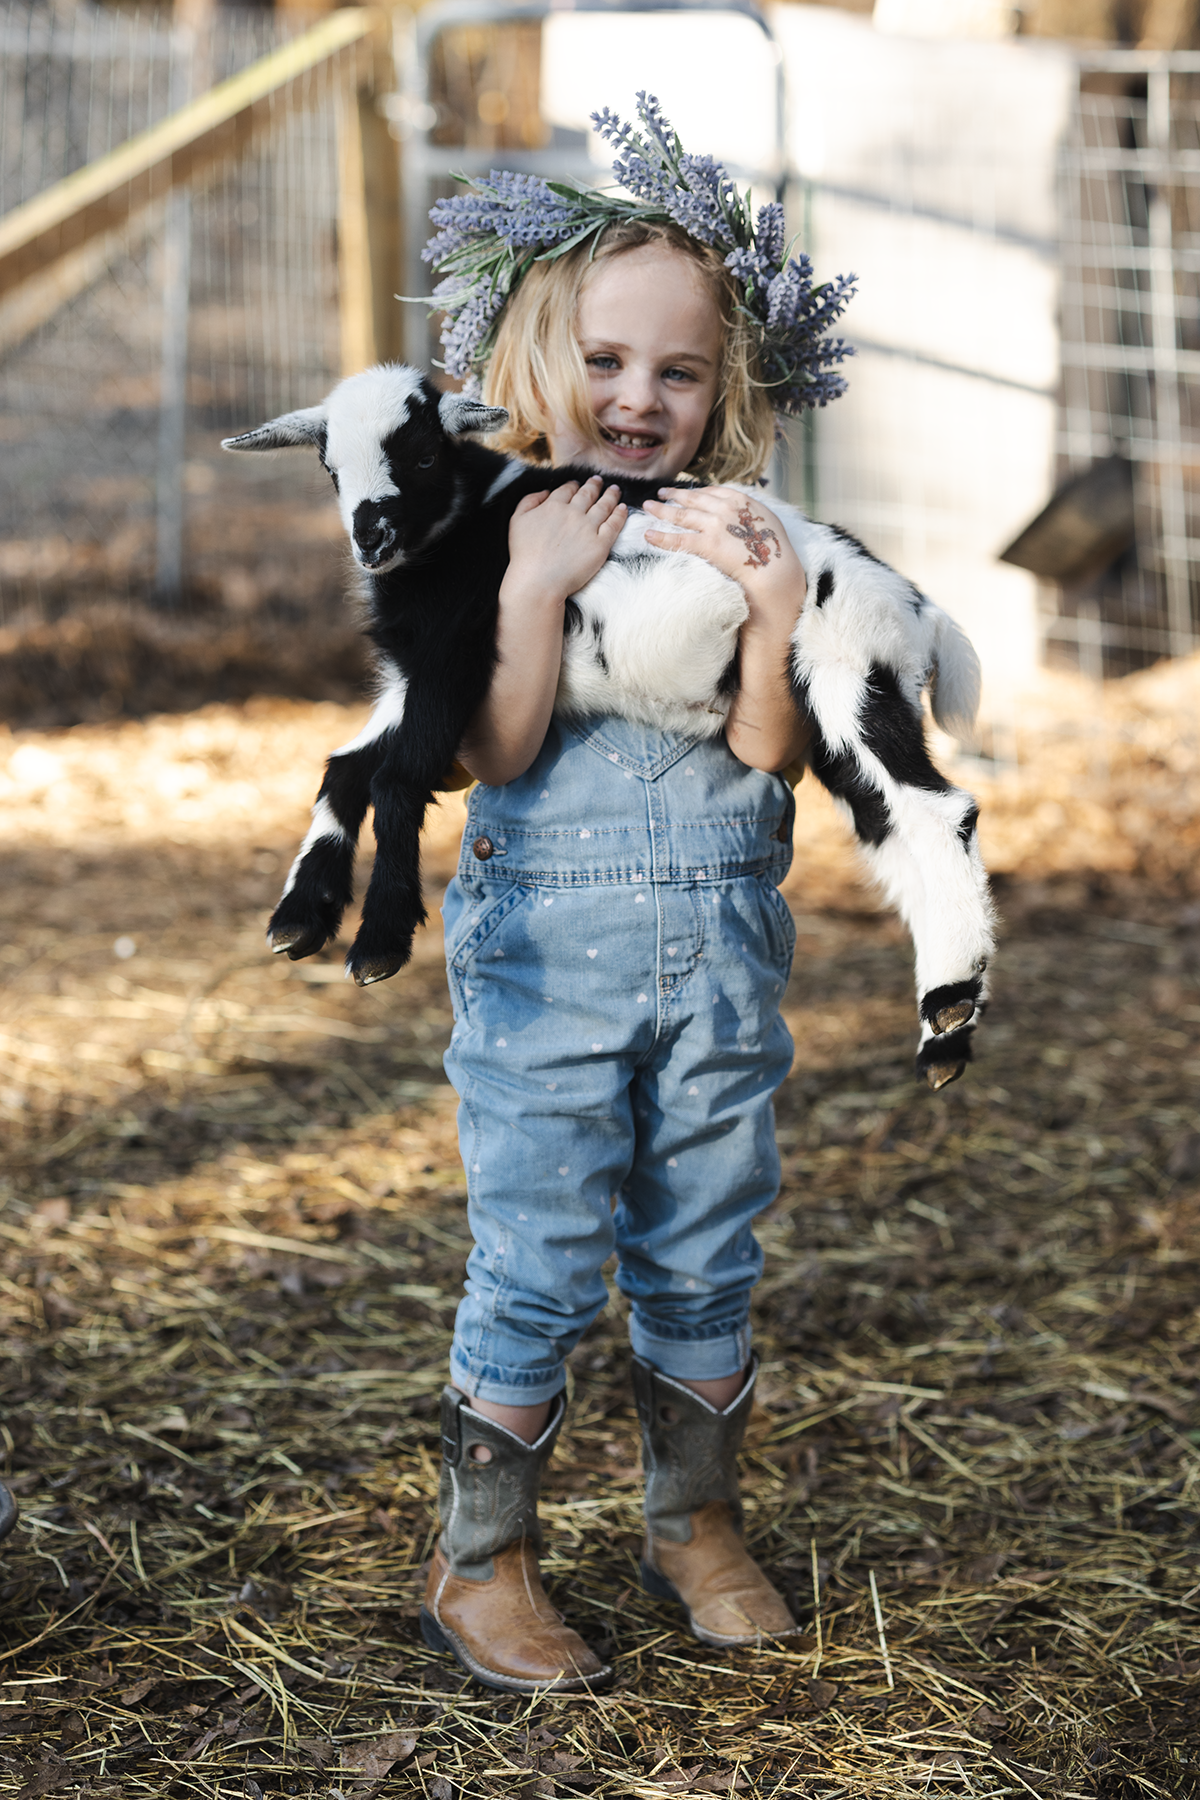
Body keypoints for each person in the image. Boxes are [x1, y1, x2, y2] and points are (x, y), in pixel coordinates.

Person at [416, 96, 856, 1694]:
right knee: (538, 1251)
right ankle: (483, 1560)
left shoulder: (743, 533)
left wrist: (775, 608)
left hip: (721, 966)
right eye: (606, 360)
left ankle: (695, 1523)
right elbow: (494, 750)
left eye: (678, 370)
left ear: (723, 385)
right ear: (544, 356)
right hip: (548, 969)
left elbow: (769, 751)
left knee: (706, 1245)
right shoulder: (505, 530)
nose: (638, 398)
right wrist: (537, 591)